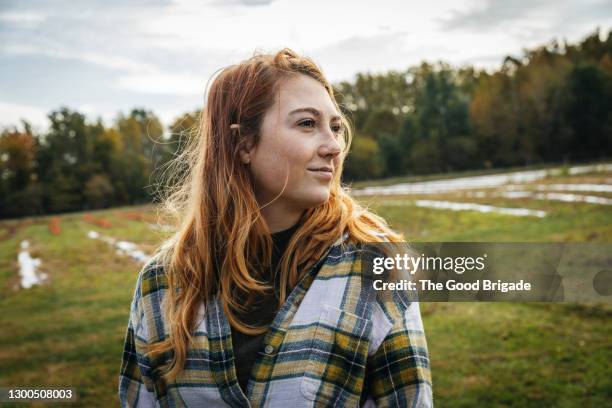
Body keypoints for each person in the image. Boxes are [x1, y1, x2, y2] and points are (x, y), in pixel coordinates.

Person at [118, 48, 432, 407]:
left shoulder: (377, 265)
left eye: (335, 127)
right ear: (243, 143)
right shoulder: (161, 283)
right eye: (307, 124)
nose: (333, 147)